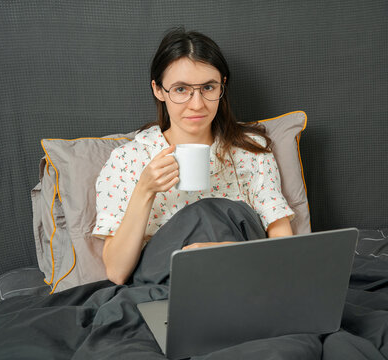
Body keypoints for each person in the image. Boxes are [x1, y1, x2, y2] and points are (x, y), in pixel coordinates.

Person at [93, 28, 294, 285]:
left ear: (222, 85)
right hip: (169, 287)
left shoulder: (251, 150)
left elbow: (284, 247)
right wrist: (145, 189)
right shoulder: (129, 159)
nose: (197, 104)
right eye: (180, 89)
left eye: (208, 87)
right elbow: (117, 273)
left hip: (246, 279)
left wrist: (227, 254)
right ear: (158, 90)